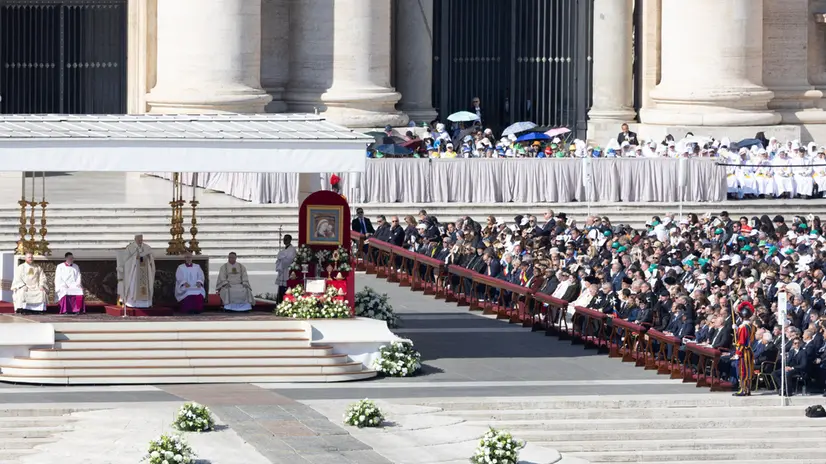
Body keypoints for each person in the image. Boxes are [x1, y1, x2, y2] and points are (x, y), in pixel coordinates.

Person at [117, 234, 156, 308]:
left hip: (144, 271)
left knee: (145, 285)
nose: (140, 241)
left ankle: (144, 304)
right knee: (133, 286)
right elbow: (125, 260)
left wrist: (148, 257)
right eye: (139, 239)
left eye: (141, 239)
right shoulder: (130, 248)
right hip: (134, 272)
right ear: (135, 239)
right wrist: (134, 258)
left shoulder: (147, 247)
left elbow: (151, 258)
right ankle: (132, 302)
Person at [732, 304, 756, 396]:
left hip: (743, 352)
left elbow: (741, 342)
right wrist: (737, 329)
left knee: (743, 371)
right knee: (749, 370)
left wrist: (738, 353)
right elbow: (748, 337)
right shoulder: (752, 326)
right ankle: (748, 389)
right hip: (749, 350)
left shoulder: (742, 327)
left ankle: (743, 390)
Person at [275, 234, 296, 303]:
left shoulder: (292, 249)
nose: (284, 240)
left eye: (286, 239)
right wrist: (281, 259)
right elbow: (279, 257)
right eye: (284, 239)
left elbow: (290, 259)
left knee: (286, 287)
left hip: (287, 270)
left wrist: (282, 259)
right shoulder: (283, 249)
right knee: (280, 288)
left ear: (290, 240)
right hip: (282, 271)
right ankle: (279, 302)